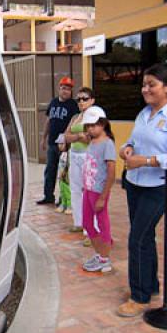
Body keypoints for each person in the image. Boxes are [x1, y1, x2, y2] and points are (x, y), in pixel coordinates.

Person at [118, 63, 167, 318]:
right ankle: (150, 286)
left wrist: (147, 160)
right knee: (144, 237)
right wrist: (127, 149)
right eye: (144, 84)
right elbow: (134, 140)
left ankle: (139, 297)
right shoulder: (144, 113)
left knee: (137, 239)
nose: (145, 89)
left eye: (152, 85)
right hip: (135, 183)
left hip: (158, 186)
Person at [62, 87, 104, 236]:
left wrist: (77, 136)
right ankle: (78, 222)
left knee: (90, 192)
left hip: (88, 156)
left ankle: (91, 229)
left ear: (92, 100)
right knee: (75, 190)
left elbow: (90, 137)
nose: (81, 102)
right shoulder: (75, 117)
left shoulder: (95, 115)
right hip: (74, 155)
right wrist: (79, 136)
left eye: (84, 98)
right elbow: (66, 135)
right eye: (78, 99)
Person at [80, 108, 117, 273]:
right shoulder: (92, 142)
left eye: (93, 125)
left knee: (103, 224)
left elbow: (111, 171)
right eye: (87, 126)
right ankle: (100, 253)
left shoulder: (107, 144)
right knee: (87, 223)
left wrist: (103, 196)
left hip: (98, 191)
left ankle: (105, 258)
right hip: (88, 189)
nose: (90, 129)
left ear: (102, 124)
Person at [37, 76, 79, 205]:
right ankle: (48, 196)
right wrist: (43, 138)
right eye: (63, 88)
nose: (66, 91)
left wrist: (68, 141)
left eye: (69, 89)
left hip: (65, 145)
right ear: (59, 89)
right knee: (50, 171)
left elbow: (75, 124)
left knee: (64, 172)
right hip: (52, 144)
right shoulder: (54, 102)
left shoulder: (73, 105)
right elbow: (48, 121)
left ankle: (64, 198)